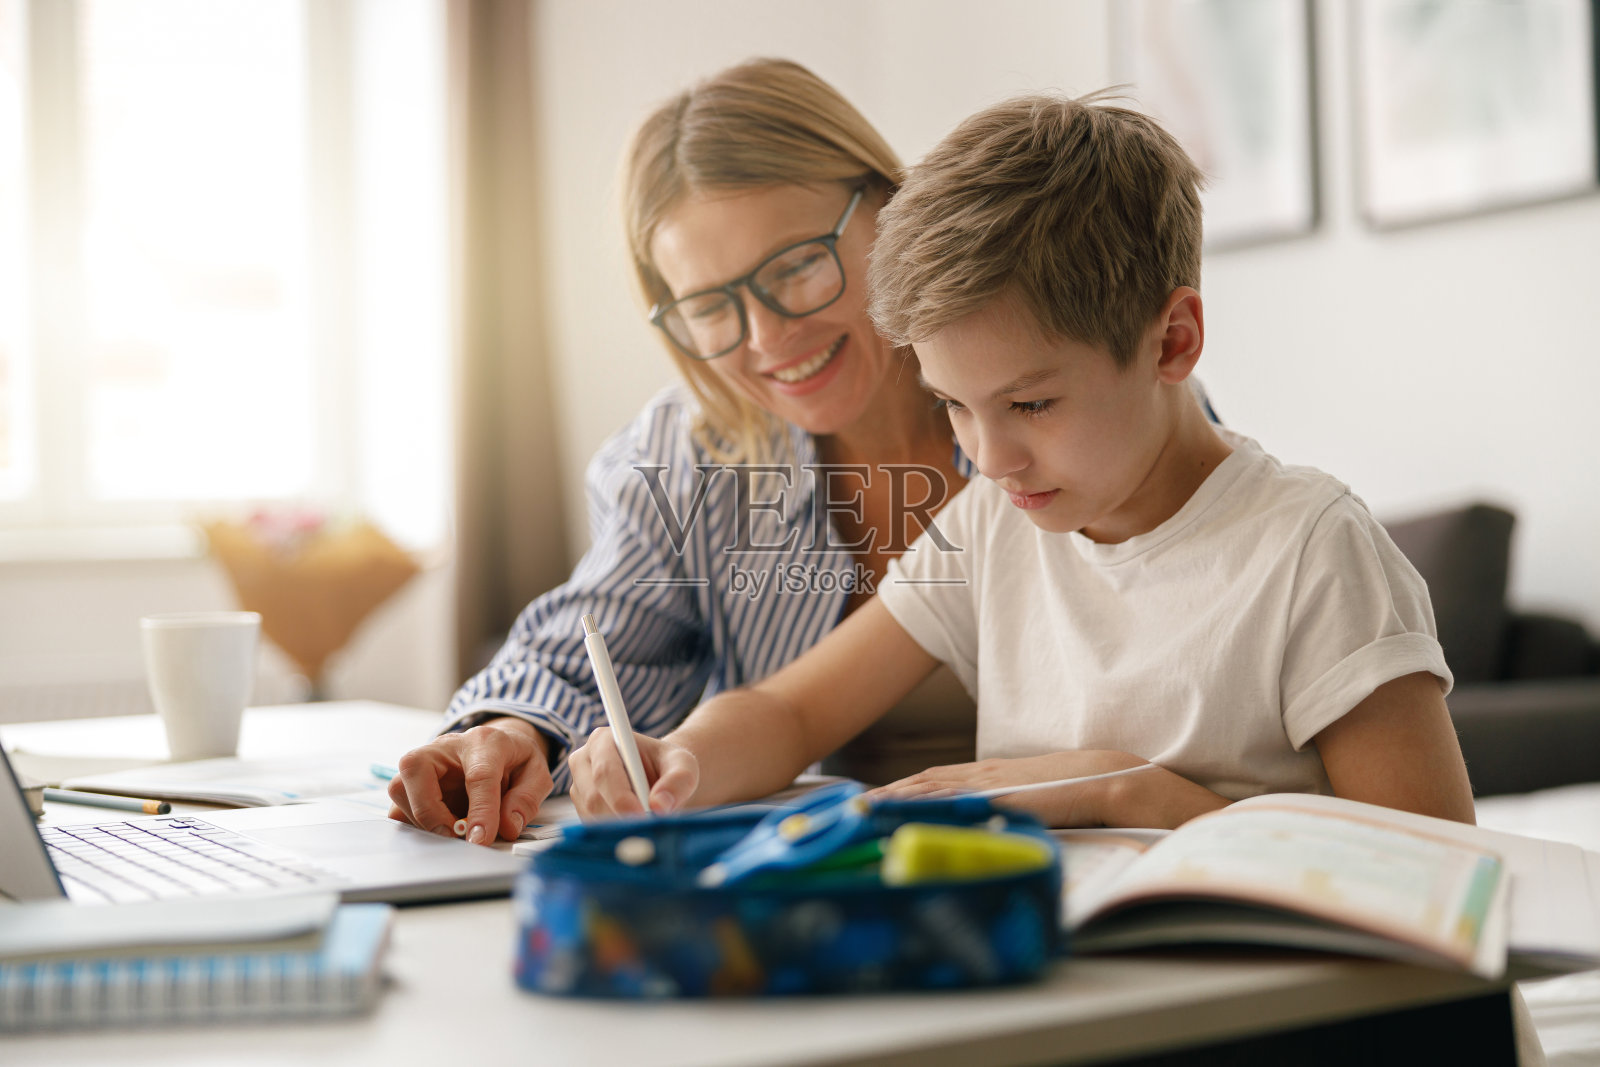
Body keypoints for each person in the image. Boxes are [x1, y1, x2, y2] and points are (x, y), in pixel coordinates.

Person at [568, 90, 1477, 830]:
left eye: (1031, 403)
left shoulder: (1313, 551)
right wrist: (679, 756)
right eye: (953, 405)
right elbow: (793, 712)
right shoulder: (993, 526)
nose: (989, 455)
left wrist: (1128, 790)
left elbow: (1435, 877)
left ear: (1173, 341)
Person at [386, 58, 979, 844]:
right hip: (810, 866)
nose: (769, 338)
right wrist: (508, 730)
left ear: (891, 205)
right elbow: (591, 648)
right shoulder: (686, 453)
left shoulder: (1055, 384)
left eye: (798, 265)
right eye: (709, 304)